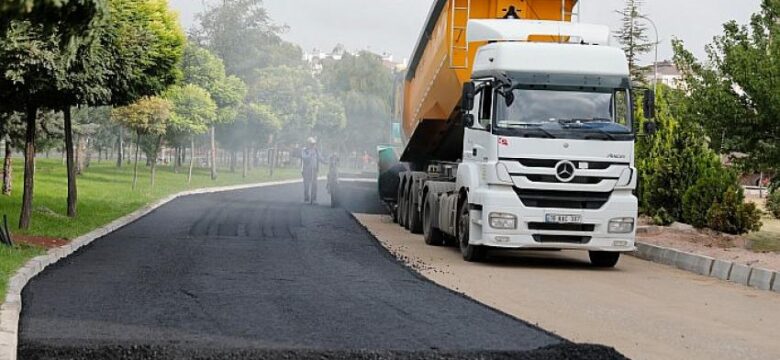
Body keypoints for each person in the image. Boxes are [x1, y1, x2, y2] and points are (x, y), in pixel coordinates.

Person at [301, 137, 325, 204]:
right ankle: (306, 199)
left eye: (314, 144)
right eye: (311, 144)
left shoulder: (316, 151)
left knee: (314, 185)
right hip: (306, 170)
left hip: (314, 169)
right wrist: (310, 154)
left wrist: (325, 162)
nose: (313, 145)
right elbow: (304, 158)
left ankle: (314, 199)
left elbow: (320, 158)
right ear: (308, 144)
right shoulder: (304, 150)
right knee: (306, 184)